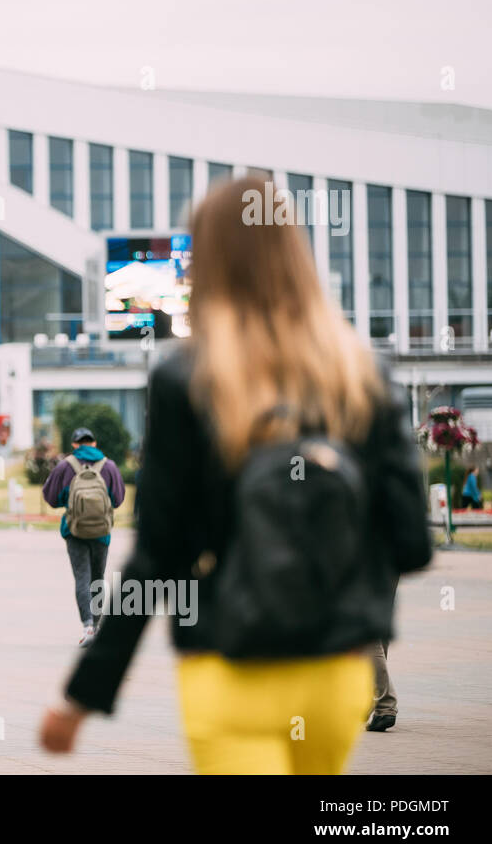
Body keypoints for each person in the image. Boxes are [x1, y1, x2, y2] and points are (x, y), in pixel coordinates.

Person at [39, 177, 433, 774]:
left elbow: (160, 557)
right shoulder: (363, 376)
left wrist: (82, 698)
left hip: (226, 663)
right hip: (333, 674)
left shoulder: (187, 380)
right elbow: (411, 539)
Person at [41, 426, 126, 646]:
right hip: (102, 533)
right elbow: (118, 499)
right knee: (97, 578)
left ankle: (88, 627)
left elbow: (50, 498)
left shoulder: (65, 466)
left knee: (82, 578)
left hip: (75, 531)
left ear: (75, 445)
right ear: (94, 443)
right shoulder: (109, 466)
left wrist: (69, 501)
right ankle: (97, 628)